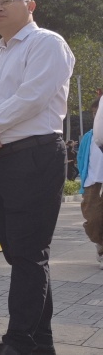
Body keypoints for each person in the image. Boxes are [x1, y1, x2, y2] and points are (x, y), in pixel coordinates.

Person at [0, 0, 75, 355]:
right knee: (19, 254)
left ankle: (20, 341)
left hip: (34, 156)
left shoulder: (47, 44)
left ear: (30, 6)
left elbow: (31, 98)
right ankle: (39, 341)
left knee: (29, 253)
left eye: (6, 2)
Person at [83, 99, 103, 270]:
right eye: (95, 113)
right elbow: (82, 159)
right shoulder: (88, 137)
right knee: (93, 220)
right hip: (92, 182)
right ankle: (100, 243)